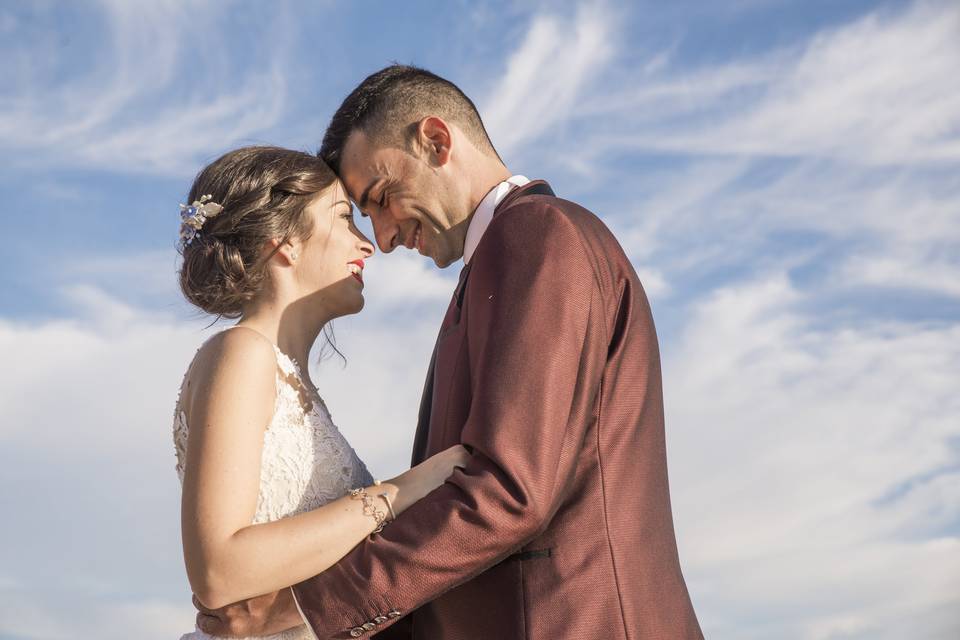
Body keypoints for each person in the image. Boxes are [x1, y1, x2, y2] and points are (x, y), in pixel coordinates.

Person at [197, 65, 704, 639]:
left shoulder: (538, 236)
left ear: (435, 141)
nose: (382, 238)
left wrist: (307, 607)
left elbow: (510, 489)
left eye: (382, 198)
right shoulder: (496, 263)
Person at [172, 146, 470, 640]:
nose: (367, 243)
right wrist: (405, 489)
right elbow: (218, 571)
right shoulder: (242, 353)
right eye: (344, 219)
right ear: (284, 241)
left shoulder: (293, 382)